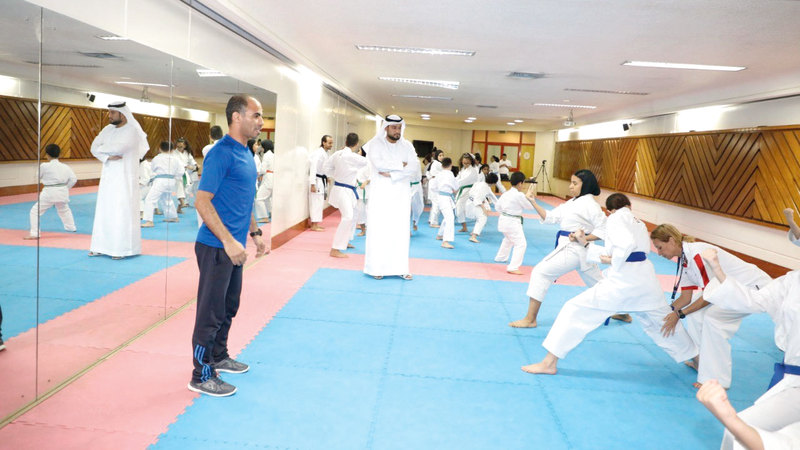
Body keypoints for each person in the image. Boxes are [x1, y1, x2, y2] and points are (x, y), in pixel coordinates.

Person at [522, 193, 698, 375]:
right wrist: (587, 244)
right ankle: (699, 361)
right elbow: (625, 250)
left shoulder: (615, 218)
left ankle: (549, 363)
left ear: (609, 210)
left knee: (574, 309)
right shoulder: (638, 222)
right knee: (664, 321)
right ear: (629, 205)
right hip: (646, 280)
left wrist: (614, 259)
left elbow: (624, 246)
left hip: (623, 281)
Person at [189, 95, 268, 397]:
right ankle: (201, 374)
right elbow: (201, 201)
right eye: (256, 115)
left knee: (228, 307)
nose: (261, 122)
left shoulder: (246, 152)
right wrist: (228, 241)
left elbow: (244, 200)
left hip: (234, 247)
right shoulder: (221, 153)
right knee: (210, 313)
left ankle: (219, 356)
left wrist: (255, 233)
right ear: (237, 117)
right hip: (215, 246)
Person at [700, 245, 800, 450]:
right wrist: (718, 270)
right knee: (741, 430)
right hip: (794, 382)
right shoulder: (793, 280)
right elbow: (754, 300)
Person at [650, 223, 771, 389]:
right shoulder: (684, 259)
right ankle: (702, 363)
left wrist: (679, 314)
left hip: (751, 288)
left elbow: (710, 296)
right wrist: (664, 313)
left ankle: (717, 380)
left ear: (671, 240)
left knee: (714, 320)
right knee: (695, 314)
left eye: (660, 247)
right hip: (730, 289)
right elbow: (686, 298)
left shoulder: (697, 255)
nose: (659, 253)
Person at [511, 169, 608, 327]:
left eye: (575, 183)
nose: (570, 186)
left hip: (574, 248)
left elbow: (604, 229)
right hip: (580, 250)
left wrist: (583, 237)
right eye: (571, 182)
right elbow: (551, 217)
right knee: (599, 284)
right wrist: (533, 202)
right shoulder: (573, 202)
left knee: (540, 272)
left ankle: (530, 319)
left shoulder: (590, 205)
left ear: (585, 185)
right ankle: (621, 311)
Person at [89, 101, 149, 259]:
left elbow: (119, 148)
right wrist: (107, 156)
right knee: (104, 210)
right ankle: (100, 247)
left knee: (121, 211)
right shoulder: (107, 129)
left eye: (112, 113)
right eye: (109, 112)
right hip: (108, 176)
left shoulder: (132, 131)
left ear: (122, 114)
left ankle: (121, 249)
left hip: (124, 178)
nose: (109, 116)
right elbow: (93, 147)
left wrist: (104, 149)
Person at [363, 115, 417, 280]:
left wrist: (393, 174)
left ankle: (400, 268)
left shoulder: (407, 146)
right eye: (394, 127)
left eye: (399, 128)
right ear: (386, 127)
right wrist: (401, 165)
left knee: (400, 229)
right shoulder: (375, 144)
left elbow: (413, 166)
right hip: (381, 193)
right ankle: (376, 268)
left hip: (401, 194)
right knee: (380, 229)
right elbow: (379, 165)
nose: (397, 131)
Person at [324, 132, 366, 257]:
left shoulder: (337, 154)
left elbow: (326, 167)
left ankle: (345, 241)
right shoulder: (353, 157)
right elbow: (369, 162)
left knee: (353, 214)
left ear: (346, 142)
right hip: (344, 190)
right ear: (356, 144)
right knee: (348, 217)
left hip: (342, 188)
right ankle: (335, 249)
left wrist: (335, 175)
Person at [25, 144, 77, 239]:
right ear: (59, 154)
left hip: (49, 192)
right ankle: (71, 227)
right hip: (62, 192)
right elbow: (74, 179)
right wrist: (65, 188)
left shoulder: (44, 166)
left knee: (35, 211)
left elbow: (37, 176)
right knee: (64, 209)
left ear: (47, 155)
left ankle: (35, 233)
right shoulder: (65, 167)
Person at [493, 172, 535, 273]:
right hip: (512, 222)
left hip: (503, 220)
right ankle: (513, 267)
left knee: (508, 239)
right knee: (521, 244)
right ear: (520, 183)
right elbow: (530, 207)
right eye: (523, 183)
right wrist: (529, 197)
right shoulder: (519, 195)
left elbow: (497, 207)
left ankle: (501, 257)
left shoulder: (506, 194)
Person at [141, 141, 183, 228]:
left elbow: (153, 169)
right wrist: (175, 177)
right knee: (167, 198)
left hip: (160, 180)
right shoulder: (176, 159)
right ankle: (173, 217)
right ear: (172, 149)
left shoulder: (157, 158)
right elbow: (181, 171)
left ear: (160, 149)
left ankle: (149, 221)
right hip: (171, 180)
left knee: (150, 199)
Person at [309, 135, 332, 231]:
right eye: (329, 143)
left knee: (319, 203)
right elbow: (313, 168)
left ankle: (316, 223)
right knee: (315, 203)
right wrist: (312, 184)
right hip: (316, 181)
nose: (331, 145)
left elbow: (325, 168)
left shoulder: (326, 153)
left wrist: (327, 176)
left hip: (321, 180)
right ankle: (314, 225)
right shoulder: (318, 153)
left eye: (331, 143)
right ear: (323, 142)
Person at [469, 172, 499, 243]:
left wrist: (499, 205)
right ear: (493, 183)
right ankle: (473, 236)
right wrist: (484, 209)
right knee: (482, 218)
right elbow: (478, 199)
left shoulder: (480, 184)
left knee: (480, 217)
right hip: (474, 204)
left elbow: (492, 196)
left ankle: (474, 231)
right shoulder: (484, 187)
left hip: (470, 202)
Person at [435, 157, 457, 249]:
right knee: (450, 218)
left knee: (448, 217)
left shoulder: (439, 174)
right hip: (445, 198)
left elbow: (434, 187)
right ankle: (445, 241)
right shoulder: (450, 174)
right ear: (451, 164)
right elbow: (455, 187)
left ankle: (440, 235)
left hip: (440, 196)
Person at [455, 153, 479, 233]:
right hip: (463, 190)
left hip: (469, 191)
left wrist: (453, 184)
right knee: (459, 209)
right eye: (464, 162)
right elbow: (458, 178)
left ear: (471, 161)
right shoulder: (463, 169)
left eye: (467, 163)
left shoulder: (472, 171)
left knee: (470, 210)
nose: (465, 164)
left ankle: (476, 229)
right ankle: (464, 227)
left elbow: (463, 181)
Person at [254, 139, 274, 223]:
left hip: (268, 177)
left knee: (259, 197)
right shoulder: (273, 155)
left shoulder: (266, 155)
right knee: (267, 198)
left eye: (262, 146)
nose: (261, 148)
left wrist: (258, 175)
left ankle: (264, 217)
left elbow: (263, 169)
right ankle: (271, 212)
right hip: (273, 177)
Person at [427, 149, 444, 228]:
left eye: (442, 155)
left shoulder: (435, 163)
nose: (442, 157)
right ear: (437, 156)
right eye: (440, 155)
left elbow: (429, 173)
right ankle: (433, 222)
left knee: (435, 203)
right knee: (437, 203)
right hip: (435, 185)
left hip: (434, 184)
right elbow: (433, 173)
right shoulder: (436, 163)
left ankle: (431, 219)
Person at [409, 153, 424, 232]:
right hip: (407, 186)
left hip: (417, 186)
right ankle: (407, 228)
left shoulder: (416, 161)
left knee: (418, 206)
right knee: (406, 207)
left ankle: (415, 222)